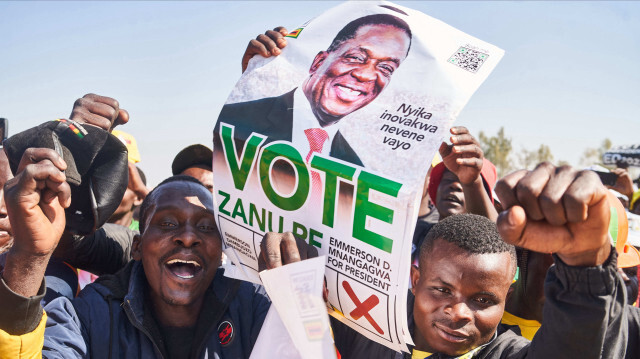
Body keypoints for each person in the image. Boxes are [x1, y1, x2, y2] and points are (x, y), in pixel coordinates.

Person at [326, 163, 640, 358]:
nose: (459, 312)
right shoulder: (368, 328)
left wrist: (585, 268)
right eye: (442, 289)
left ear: (506, 297)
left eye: (483, 299)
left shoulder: (507, 352)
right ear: (415, 278)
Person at [217, 13, 413, 167]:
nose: (366, 75)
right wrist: (251, 75)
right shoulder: (241, 118)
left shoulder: (354, 168)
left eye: (386, 68)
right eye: (355, 57)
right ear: (318, 62)